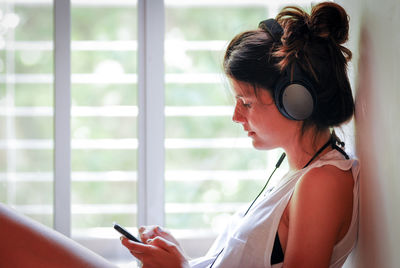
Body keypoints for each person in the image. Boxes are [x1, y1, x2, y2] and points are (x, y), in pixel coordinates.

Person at [120, 2, 360, 268]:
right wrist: (180, 259)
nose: (236, 116)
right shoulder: (298, 175)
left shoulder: (323, 183)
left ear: (294, 102)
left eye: (246, 102)